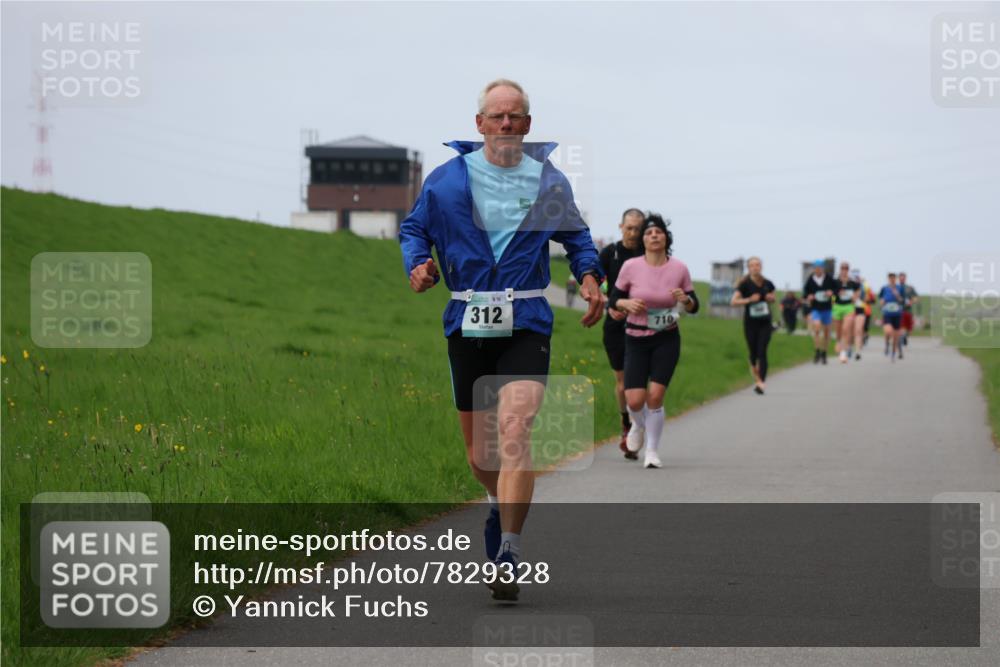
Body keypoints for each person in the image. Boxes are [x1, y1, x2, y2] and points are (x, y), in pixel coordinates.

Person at [399, 79, 605, 601]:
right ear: (480, 124)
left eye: (516, 116)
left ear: (529, 126)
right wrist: (416, 267)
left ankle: (508, 550)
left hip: (527, 317)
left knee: (514, 429)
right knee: (479, 456)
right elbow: (413, 230)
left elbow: (577, 236)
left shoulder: (548, 181)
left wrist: (588, 275)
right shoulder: (445, 182)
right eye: (497, 116)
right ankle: (496, 504)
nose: (507, 124)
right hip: (466, 320)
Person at [610, 214, 699, 469]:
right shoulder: (631, 267)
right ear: (643, 240)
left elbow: (693, 306)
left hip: (666, 338)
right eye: (649, 233)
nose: (654, 236)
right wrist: (625, 302)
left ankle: (652, 450)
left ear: (665, 237)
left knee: (655, 396)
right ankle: (637, 424)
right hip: (635, 338)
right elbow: (615, 296)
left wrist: (685, 299)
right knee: (635, 400)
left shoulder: (679, 268)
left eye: (658, 232)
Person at [599, 208, 644, 459]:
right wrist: (609, 304)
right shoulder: (610, 253)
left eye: (638, 229)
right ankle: (627, 425)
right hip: (615, 324)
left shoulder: (646, 253)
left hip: (643, 324)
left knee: (638, 382)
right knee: (622, 382)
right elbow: (595, 281)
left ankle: (638, 425)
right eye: (629, 228)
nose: (633, 233)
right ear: (620, 226)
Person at [731, 257, 776, 394]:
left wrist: (770, 298)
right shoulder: (744, 284)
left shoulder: (768, 283)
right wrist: (749, 299)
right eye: (752, 265)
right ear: (748, 268)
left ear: (761, 267)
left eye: (757, 265)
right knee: (753, 353)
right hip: (750, 323)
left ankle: (761, 382)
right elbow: (733, 302)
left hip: (765, 322)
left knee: (762, 351)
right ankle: (756, 379)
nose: (755, 267)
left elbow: (773, 298)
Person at [802, 260, 836, 364]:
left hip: (827, 309)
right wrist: (809, 297)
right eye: (816, 268)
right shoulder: (810, 280)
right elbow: (805, 294)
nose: (818, 270)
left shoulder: (829, 278)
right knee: (816, 328)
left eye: (820, 268)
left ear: (823, 268)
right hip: (816, 308)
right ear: (814, 269)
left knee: (826, 332)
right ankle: (817, 350)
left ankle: (824, 352)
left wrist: (831, 292)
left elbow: (836, 289)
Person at [832, 262, 861, 364]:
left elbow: (858, 289)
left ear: (848, 270)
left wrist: (855, 297)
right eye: (842, 268)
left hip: (849, 307)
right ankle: (838, 343)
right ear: (840, 269)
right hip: (837, 306)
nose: (844, 270)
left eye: (846, 268)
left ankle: (843, 353)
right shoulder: (835, 281)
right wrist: (836, 294)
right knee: (839, 331)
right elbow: (831, 293)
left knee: (846, 329)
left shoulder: (852, 282)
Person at [878, 272, 905, 362]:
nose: (892, 279)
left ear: (895, 279)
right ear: (888, 279)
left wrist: (897, 295)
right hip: (887, 313)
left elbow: (902, 300)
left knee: (896, 336)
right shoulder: (884, 288)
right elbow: (880, 299)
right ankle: (886, 344)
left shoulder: (900, 288)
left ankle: (893, 354)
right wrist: (882, 302)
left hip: (897, 314)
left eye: (893, 278)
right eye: (890, 278)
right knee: (888, 331)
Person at [850, 269, 868, 360]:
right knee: (850, 331)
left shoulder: (863, 285)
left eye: (857, 277)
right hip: (849, 309)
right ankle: (849, 347)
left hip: (860, 309)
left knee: (858, 330)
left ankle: (857, 351)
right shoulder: (847, 284)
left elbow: (866, 298)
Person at [898, 271, 919, 347]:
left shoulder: (909, 288)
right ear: (898, 278)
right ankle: (900, 337)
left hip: (908, 310)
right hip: (898, 310)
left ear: (905, 278)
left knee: (909, 329)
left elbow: (916, 297)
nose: (902, 279)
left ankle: (905, 336)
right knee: (900, 325)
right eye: (900, 278)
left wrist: (911, 301)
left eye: (903, 278)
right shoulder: (896, 287)